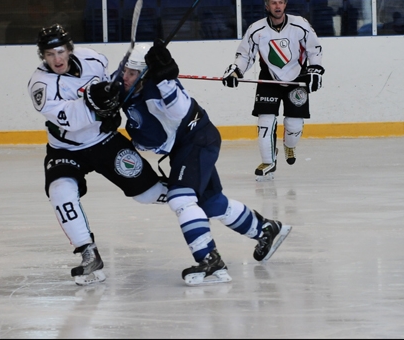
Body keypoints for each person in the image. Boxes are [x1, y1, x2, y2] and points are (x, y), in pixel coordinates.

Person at [89, 41, 291, 286]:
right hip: (186, 146)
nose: (125, 77)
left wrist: (166, 80)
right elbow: (109, 91)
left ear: (145, 75)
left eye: (132, 73)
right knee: (211, 202)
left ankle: (209, 259)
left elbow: (180, 110)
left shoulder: (159, 90)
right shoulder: (127, 81)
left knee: (181, 199)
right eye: (125, 71)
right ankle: (266, 229)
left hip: (197, 140)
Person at [27, 24, 168, 286]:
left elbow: (112, 81)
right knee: (60, 190)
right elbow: (70, 119)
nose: (56, 59)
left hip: (105, 142)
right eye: (49, 54)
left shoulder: (92, 57)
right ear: (43, 57)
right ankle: (87, 252)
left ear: (69, 49)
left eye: (60, 51)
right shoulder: (40, 86)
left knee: (150, 194)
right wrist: (96, 100)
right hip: (66, 149)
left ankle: (203, 202)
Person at [221, 0, 325, 181]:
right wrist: (236, 69)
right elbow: (245, 54)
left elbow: (314, 48)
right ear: (267, 6)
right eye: (273, 3)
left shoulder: (300, 24)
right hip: (268, 78)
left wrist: (316, 69)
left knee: (294, 126)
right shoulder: (256, 29)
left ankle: (289, 145)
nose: (277, 6)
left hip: (297, 79)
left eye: (280, 2)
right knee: (265, 121)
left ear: (285, 4)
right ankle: (269, 161)